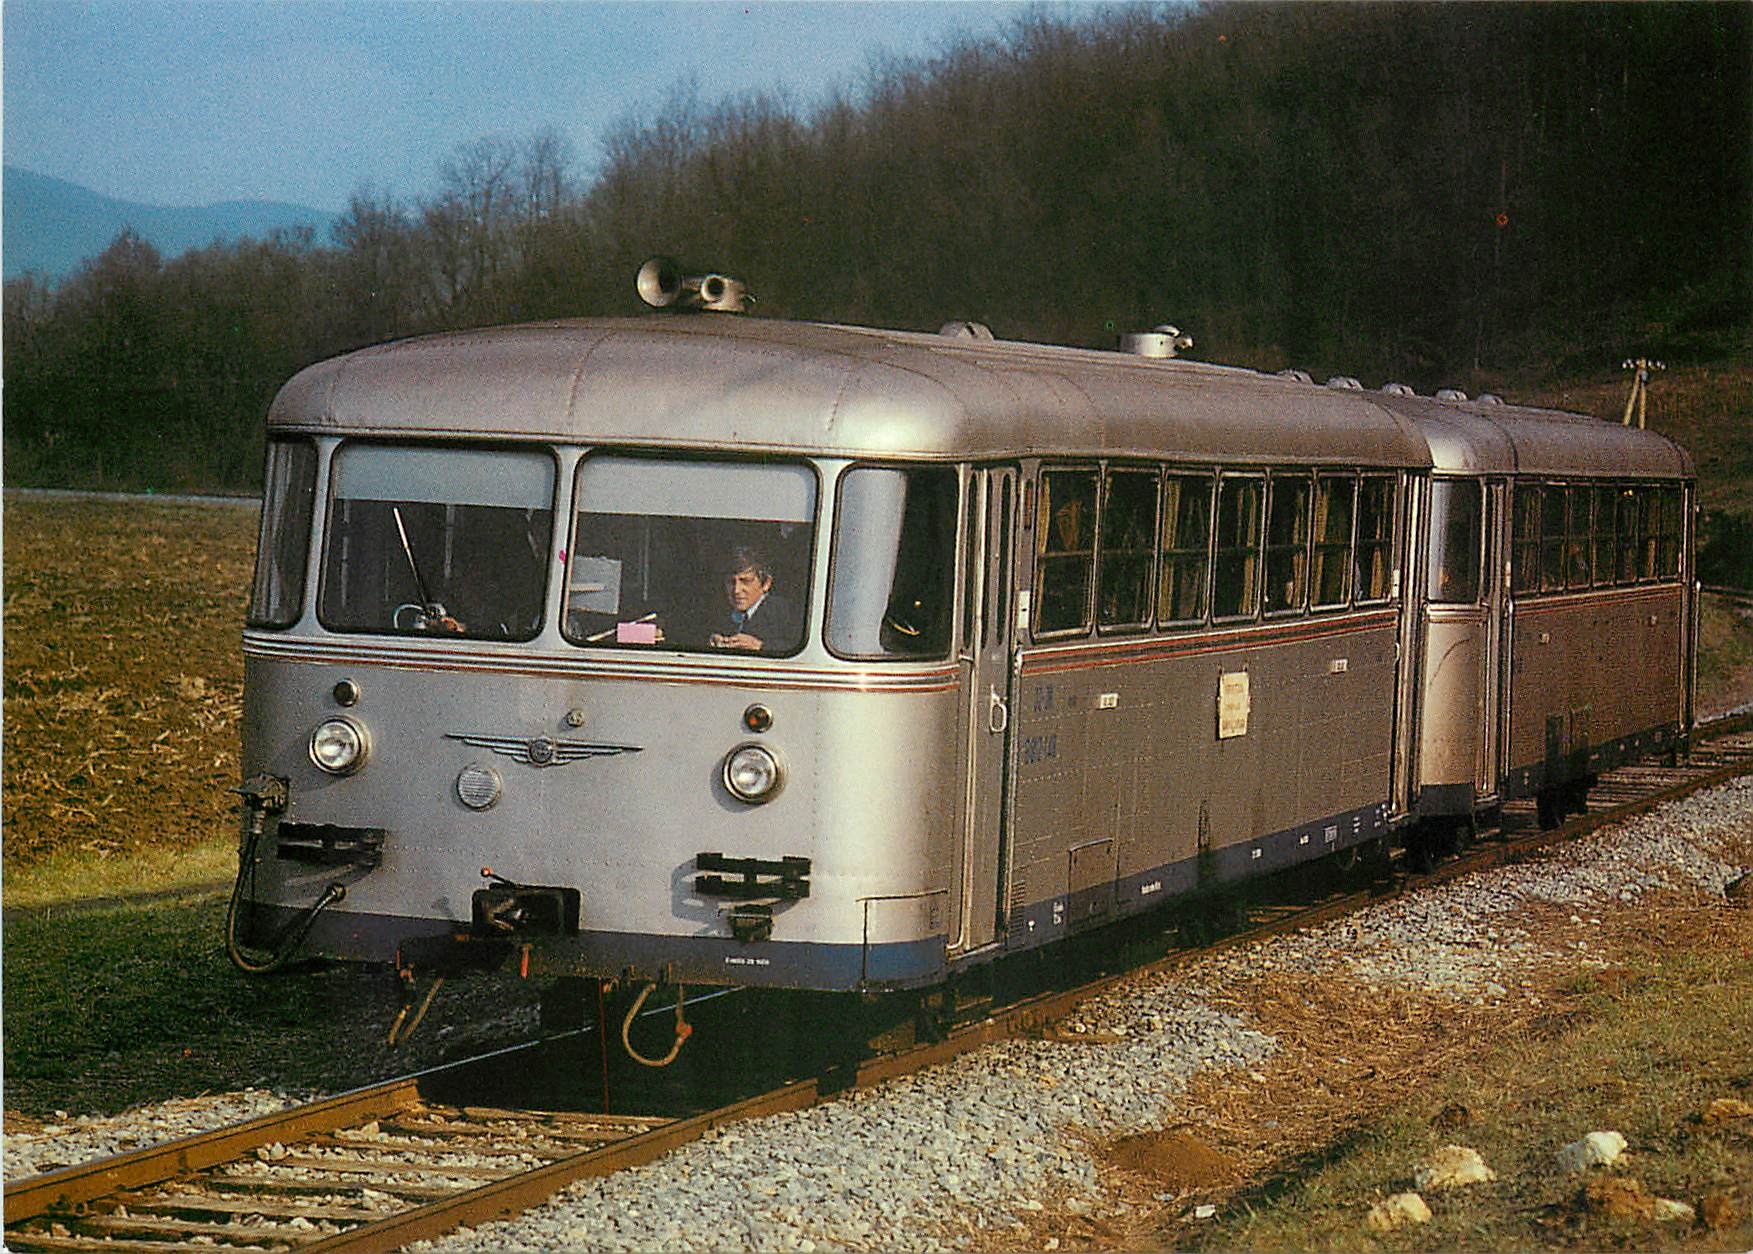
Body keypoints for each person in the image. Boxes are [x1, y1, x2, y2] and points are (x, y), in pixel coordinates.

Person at [710, 547, 800, 652]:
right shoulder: (719, 612)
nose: (736, 590)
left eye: (746, 581)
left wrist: (760, 646)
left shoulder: (786, 613)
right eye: (731, 582)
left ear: (766, 583)